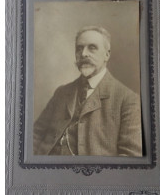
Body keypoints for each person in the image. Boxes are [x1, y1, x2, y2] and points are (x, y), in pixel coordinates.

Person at [33, 26, 142, 156]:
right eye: (79, 48)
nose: (83, 53)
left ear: (106, 55)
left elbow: (130, 156)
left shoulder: (128, 100)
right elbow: (35, 135)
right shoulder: (61, 92)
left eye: (92, 48)